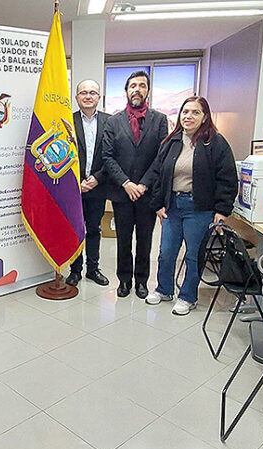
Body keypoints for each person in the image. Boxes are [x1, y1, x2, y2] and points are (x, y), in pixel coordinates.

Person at [145, 96, 238, 315]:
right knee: (166, 252)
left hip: (199, 208)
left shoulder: (215, 143)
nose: (188, 116)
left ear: (205, 116)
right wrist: (158, 204)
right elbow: (158, 175)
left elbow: (227, 178)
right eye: (185, 112)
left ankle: (188, 297)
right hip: (172, 206)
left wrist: (222, 210)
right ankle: (164, 289)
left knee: (193, 255)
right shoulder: (171, 142)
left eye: (195, 112)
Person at [102, 70, 168, 299]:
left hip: (147, 194)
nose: (136, 89)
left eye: (141, 85)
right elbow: (107, 157)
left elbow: (162, 156)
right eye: (132, 86)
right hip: (122, 194)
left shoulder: (159, 120)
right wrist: (126, 183)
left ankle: (141, 281)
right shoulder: (113, 121)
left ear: (148, 91)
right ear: (126, 91)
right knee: (123, 238)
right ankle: (123, 280)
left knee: (145, 239)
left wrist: (143, 185)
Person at [65, 79, 111, 287]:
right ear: (76, 97)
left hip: (98, 186)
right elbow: (62, 155)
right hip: (73, 188)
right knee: (75, 230)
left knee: (94, 229)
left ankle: (93, 269)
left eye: (93, 92)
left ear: (99, 97)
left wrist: (97, 178)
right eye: (83, 92)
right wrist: (77, 182)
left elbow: (113, 156)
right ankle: (75, 270)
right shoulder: (67, 121)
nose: (88, 96)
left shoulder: (110, 122)